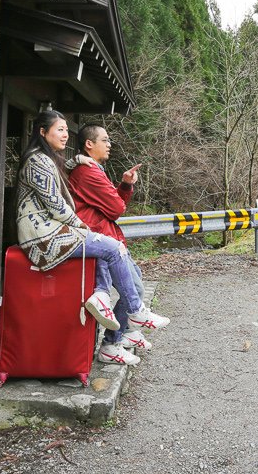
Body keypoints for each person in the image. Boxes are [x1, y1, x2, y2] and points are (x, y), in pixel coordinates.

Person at [15, 110, 167, 366]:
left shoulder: (47, 159)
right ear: (42, 132)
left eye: (66, 129)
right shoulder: (37, 162)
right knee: (113, 251)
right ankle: (133, 315)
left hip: (54, 232)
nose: (65, 134)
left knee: (118, 259)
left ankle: (123, 317)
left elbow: (62, 171)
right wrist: (82, 228)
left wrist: (77, 161)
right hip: (45, 238)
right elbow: (57, 205)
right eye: (59, 129)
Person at [69, 123, 161, 364]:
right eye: (105, 140)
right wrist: (120, 194)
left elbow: (113, 205)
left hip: (109, 236)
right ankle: (112, 344)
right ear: (89, 144)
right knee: (134, 289)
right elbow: (116, 208)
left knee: (136, 281)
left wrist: (125, 184)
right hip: (102, 238)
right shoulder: (87, 172)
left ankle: (125, 334)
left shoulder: (94, 169)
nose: (109, 144)